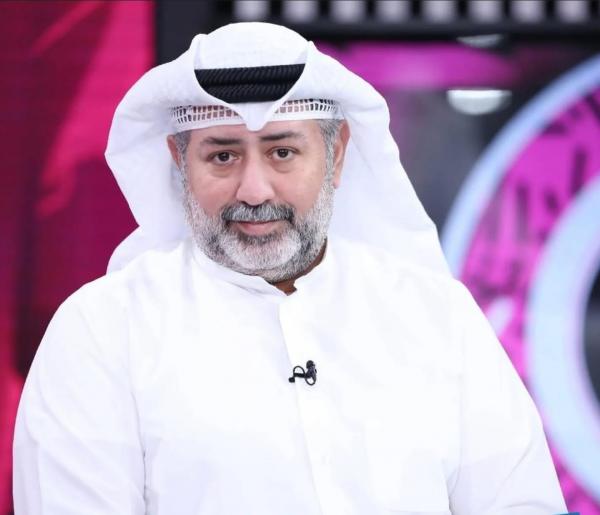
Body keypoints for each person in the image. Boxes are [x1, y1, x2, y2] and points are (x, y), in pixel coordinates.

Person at [13, 22, 566, 515]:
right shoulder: (102, 332)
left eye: (282, 152)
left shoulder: (439, 317)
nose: (254, 190)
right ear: (180, 162)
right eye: (223, 156)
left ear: (337, 154)